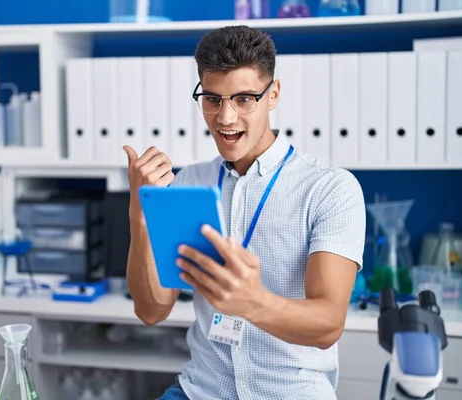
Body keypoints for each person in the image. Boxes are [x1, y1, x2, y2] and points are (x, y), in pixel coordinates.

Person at [123, 25, 366, 400]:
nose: (225, 117)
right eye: (213, 99)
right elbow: (152, 310)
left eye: (244, 99)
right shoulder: (189, 182)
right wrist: (140, 213)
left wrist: (253, 302)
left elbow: (327, 326)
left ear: (273, 95)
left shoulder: (331, 189)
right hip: (200, 390)